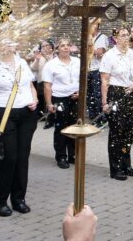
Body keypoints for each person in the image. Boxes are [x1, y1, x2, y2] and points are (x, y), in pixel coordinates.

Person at [0, 39, 38, 217]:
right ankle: (1, 200)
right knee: (8, 158)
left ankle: (19, 198)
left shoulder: (22, 62)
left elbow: (30, 85)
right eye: (5, 41)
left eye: (12, 41)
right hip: (4, 115)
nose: (9, 44)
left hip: (27, 114)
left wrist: (34, 99)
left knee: (22, 158)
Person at [100, 26, 133, 181]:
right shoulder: (109, 56)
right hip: (116, 93)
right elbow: (104, 80)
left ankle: (126, 163)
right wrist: (105, 102)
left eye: (127, 35)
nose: (126, 38)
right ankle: (115, 167)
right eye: (122, 35)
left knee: (128, 132)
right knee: (117, 132)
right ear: (115, 38)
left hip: (131, 93)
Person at [43, 38, 81, 169]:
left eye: (68, 45)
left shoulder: (77, 62)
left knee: (74, 126)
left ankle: (72, 154)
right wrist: (49, 103)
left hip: (75, 98)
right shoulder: (51, 65)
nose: (65, 47)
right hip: (59, 98)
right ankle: (61, 156)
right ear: (57, 49)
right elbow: (47, 85)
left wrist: (81, 92)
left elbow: (83, 79)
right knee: (61, 127)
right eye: (62, 45)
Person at [88, 19, 108, 129]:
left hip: (98, 70)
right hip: (88, 69)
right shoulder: (88, 38)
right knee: (89, 95)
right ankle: (93, 118)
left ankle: (101, 119)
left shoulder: (102, 37)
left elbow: (99, 53)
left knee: (97, 95)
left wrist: (89, 46)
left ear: (97, 26)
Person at [30, 40, 54, 129]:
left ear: (51, 46)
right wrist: (37, 59)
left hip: (51, 82)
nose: (44, 48)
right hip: (41, 81)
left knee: (50, 100)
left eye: (46, 45)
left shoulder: (55, 56)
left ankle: (50, 119)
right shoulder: (40, 57)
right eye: (42, 46)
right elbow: (33, 68)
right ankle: (44, 117)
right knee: (43, 100)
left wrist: (47, 58)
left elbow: (52, 67)